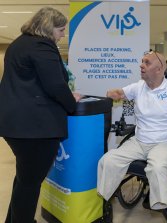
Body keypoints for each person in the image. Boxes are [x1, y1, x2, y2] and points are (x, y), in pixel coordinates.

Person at [0, 7, 82, 223]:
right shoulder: (42, 45)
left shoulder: (19, 43)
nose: (62, 35)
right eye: (61, 30)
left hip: (16, 125)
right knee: (30, 184)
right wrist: (70, 101)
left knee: (24, 179)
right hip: (35, 128)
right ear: (48, 27)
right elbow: (55, 84)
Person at [97, 51, 167, 218]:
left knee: (157, 167)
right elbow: (120, 93)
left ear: (159, 69)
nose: (141, 65)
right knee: (108, 160)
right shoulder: (138, 86)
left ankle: (160, 204)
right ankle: (104, 196)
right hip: (139, 141)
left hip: (164, 142)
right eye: (141, 61)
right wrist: (111, 93)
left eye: (146, 62)